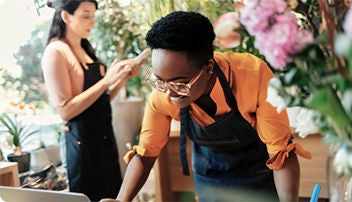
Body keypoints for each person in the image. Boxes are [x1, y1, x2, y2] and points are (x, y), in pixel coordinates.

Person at [102, 11, 312, 202]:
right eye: (159, 81)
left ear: (208, 68)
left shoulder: (254, 75)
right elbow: (146, 154)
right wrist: (121, 200)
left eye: (180, 84)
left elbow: (281, 155)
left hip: (259, 180)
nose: (169, 92)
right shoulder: (163, 94)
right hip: (210, 183)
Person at [41, 0, 149, 201]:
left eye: (93, 15)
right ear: (66, 16)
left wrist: (124, 77)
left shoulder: (85, 50)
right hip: (82, 147)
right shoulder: (55, 52)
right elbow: (65, 111)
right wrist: (107, 80)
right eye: (85, 15)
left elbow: (102, 99)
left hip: (105, 141)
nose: (92, 22)